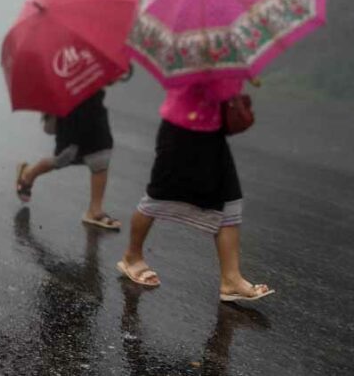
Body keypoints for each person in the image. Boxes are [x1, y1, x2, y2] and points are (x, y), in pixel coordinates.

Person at [117, 77, 274, 303]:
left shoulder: (220, 53)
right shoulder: (186, 53)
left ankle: (231, 279)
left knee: (230, 201)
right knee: (158, 197)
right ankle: (132, 257)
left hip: (212, 135)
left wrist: (238, 75)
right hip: (180, 133)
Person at [15, 86, 121, 230]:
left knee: (101, 156)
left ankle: (95, 210)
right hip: (71, 114)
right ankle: (28, 173)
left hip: (95, 110)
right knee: (63, 157)